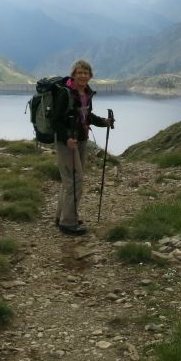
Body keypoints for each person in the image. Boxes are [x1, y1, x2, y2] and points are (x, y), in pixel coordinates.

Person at [53, 59, 113, 235]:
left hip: (81, 140)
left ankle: (61, 216)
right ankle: (68, 223)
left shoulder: (86, 92)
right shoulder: (65, 93)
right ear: (74, 74)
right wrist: (66, 138)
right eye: (79, 72)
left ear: (90, 75)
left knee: (70, 181)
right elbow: (55, 121)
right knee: (75, 180)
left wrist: (103, 122)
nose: (82, 75)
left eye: (86, 73)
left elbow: (86, 116)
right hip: (68, 143)